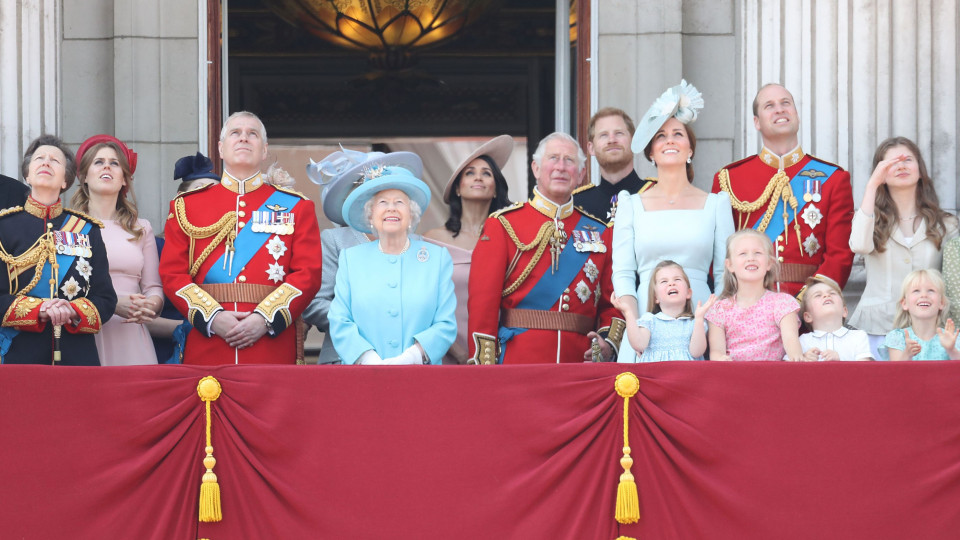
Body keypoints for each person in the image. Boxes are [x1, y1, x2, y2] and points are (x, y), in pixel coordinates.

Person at [159, 111, 323, 365]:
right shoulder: (186, 206)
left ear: (265, 150)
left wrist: (264, 319)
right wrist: (212, 317)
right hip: (209, 342)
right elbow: (172, 274)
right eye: (235, 133)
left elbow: (308, 274)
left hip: (270, 345)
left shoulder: (296, 206)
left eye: (252, 134)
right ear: (221, 149)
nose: (244, 138)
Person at [467, 132, 625, 364]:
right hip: (518, 364)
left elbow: (614, 301)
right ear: (536, 168)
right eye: (553, 158)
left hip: (580, 365)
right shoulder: (503, 224)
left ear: (581, 174)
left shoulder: (602, 232)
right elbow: (483, 304)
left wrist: (607, 343)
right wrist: (485, 367)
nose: (561, 167)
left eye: (569, 160)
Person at [612, 80, 734, 363]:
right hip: (645, 319)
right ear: (651, 153)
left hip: (700, 321)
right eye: (660, 136)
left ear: (690, 148)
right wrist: (636, 321)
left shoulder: (717, 203)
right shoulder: (630, 204)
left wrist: (715, 333)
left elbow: (725, 278)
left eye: (678, 134)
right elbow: (623, 274)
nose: (669, 140)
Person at [713, 83, 854, 295]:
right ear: (756, 122)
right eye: (769, 105)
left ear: (796, 114)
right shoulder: (730, 179)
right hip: (748, 304)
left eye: (785, 103)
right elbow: (718, 255)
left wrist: (810, 301)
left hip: (810, 308)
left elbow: (839, 255)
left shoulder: (833, 178)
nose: (779, 109)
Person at [0, 135, 117, 365]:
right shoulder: (5, 226)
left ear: (66, 180)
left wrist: (72, 310)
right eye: (39, 158)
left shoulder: (86, 229)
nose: (46, 162)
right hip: (19, 353)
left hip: (77, 354)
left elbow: (105, 299)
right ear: (27, 174)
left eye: (55, 160)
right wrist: (39, 309)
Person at [303, 148, 424, 364]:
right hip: (345, 359)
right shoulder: (335, 239)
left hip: (407, 361)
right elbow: (315, 304)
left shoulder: (419, 244)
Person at [327, 163, 456, 365]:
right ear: (370, 215)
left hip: (420, 376)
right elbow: (339, 320)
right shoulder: (350, 259)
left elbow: (445, 324)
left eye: (399, 202)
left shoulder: (437, 259)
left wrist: (411, 358)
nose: (391, 207)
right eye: (382, 202)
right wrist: (368, 359)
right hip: (362, 376)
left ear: (412, 215)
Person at [848, 137, 958, 359]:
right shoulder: (868, 218)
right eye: (891, 163)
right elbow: (858, 245)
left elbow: (954, 281)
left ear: (920, 169)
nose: (901, 165)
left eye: (908, 159)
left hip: (930, 334)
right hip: (876, 328)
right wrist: (871, 186)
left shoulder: (947, 224)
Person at [70, 135, 163, 366]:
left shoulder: (141, 228)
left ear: (124, 179)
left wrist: (150, 305)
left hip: (131, 334)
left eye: (114, 163)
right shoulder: (68, 227)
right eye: (98, 162)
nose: (107, 167)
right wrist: (112, 304)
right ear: (83, 177)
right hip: (85, 333)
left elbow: (153, 286)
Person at [423, 135, 513, 364]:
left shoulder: (512, 239)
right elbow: (423, 305)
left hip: (501, 355)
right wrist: (459, 354)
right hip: (445, 354)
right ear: (458, 189)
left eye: (487, 173)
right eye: (470, 172)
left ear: (495, 190)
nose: (478, 177)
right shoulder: (432, 241)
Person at [147, 152, 222, 363]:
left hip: (218, 352)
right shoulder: (157, 246)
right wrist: (200, 326)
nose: (208, 198)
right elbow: (142, 318)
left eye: (215, 193)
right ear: (179, 199)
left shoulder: (229, 254)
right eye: (199, 191)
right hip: (166, 355)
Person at [705, 229, 802, 361]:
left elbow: (792, 345)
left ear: (769, 263)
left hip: (774, 377)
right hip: (734, 377)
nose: (751, 258)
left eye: (758, 253)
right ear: (730, 265)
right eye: (743, 254)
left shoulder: (782, 303)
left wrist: (799, 358)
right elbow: (716, 353)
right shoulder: (719, 310)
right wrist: (722, 360)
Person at [611, 260, 714, 362]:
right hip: (655, 376)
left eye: (677, 279)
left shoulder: (694, 323)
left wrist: (699, 319)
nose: (671, 284)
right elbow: (639, 344)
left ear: (688, 293)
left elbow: (697, 352)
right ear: (656, 297)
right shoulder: (650, 320)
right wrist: (628, 313)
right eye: (664, 281)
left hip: (686, 376)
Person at [573, 107, 655, 221]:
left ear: (634, 141)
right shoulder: (577, 205)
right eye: (603, 135)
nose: (612, 140)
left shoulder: (656, 195)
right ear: (591, 148)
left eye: (619, 133)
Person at [883, 269, 960, 361]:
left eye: (931, 290)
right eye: (916, 291)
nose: (924, 295)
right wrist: (907, 355)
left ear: (941, 303)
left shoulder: (952, 338)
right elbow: (895, 373)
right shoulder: (897, 337)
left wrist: (951, 350)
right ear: (904, 303)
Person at [795, 274, 872, 361]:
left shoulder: (858, 336)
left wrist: (840, 360)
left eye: (832, 293)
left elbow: (865, 370)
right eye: (818, 295)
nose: (826, 296)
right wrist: (803, 360)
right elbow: (787, 369)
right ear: (808, 316)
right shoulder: (803, 341)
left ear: (844, 311)